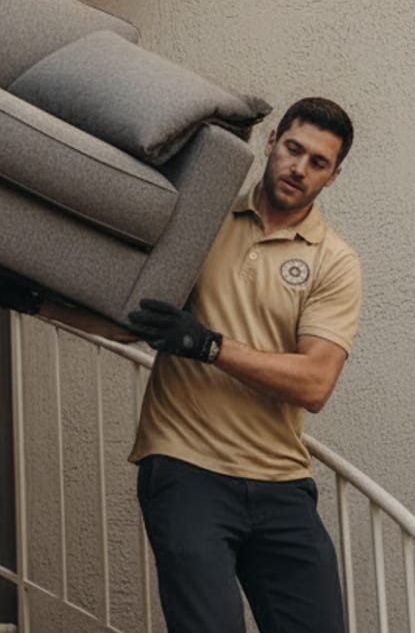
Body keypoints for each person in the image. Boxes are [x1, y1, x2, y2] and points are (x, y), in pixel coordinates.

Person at [119, 96, 361, 633]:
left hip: (281, 482)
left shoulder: (334, 260)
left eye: (317, 162)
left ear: (333, 175)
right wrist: (41, 302)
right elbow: (135, 310)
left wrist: (210, 345)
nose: (299, 168)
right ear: (272, 142)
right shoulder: (203, 217)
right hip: (186, 470)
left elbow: (316, 382)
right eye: (293, 149)